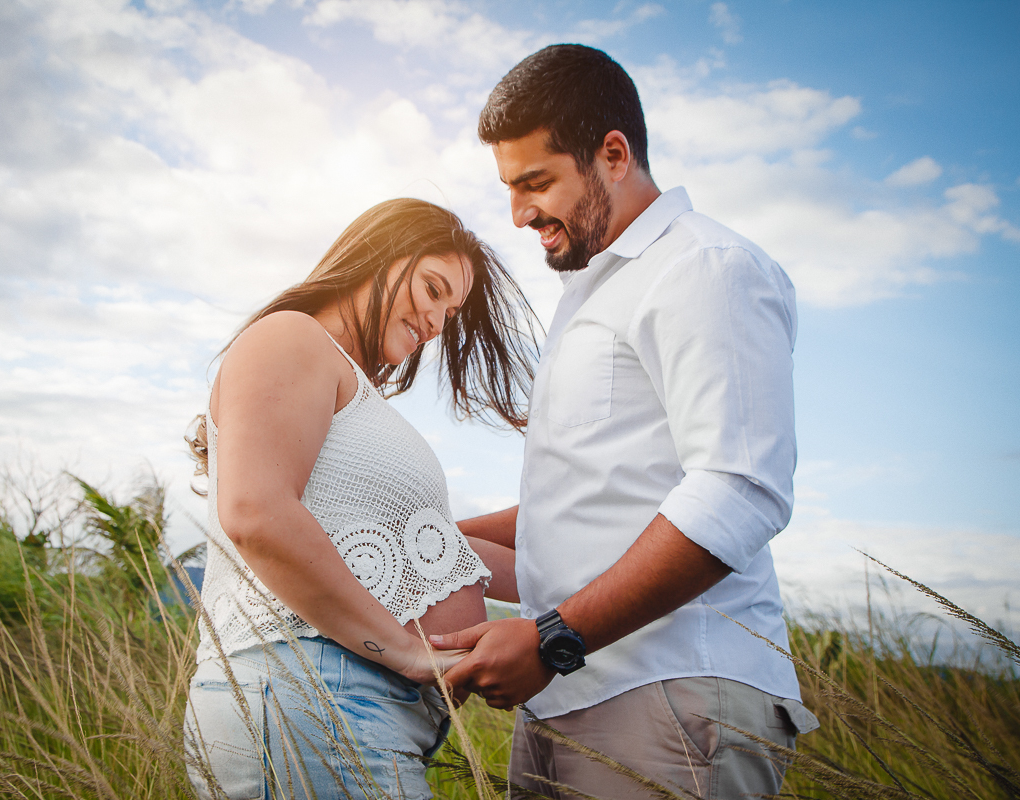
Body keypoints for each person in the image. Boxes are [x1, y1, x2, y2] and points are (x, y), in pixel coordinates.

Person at [431, 44, 819, 799]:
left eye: (535, 183)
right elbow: (582, 499)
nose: (518, 215)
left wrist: (551, 639)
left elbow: (740, 489)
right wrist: (433, 542)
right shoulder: (592, 293)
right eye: (509, 189)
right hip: (567, 697)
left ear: (613, 154)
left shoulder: (704, 267)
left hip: (673, 695)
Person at [181, 198, 536, 800]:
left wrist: (600, 566)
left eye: (450, 311)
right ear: (378, 253)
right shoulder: (292, 338)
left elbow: (433, 546)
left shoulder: (349, 386)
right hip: (312, 691)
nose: (436, 321)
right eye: (432, 288)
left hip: (341, 700)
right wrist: (406, 652)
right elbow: (257, 514)